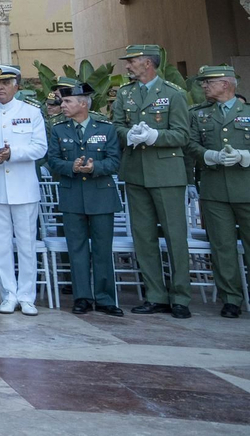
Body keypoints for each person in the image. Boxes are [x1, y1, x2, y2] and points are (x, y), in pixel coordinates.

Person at [107, 43, 193, 318]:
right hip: (136, 172)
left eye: (132, 61)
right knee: (143, 237)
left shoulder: (173, 94)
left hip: (166, 173)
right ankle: (155, 295)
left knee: (175, 237)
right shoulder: (126, 93)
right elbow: (117, 126)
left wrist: (155, 136)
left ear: (148, 63)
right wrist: (129, 135)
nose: (127, 66)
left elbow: (182, 135)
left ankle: (180, 297)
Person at [46, 79, 123, 316]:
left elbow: (114, 161)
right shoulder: (59, 129)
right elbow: (53, 160)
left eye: (67, 101)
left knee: (102, 249)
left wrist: (94, 167)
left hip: (101, 196)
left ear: (83, 103)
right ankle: (82, 297)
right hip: (72, 195)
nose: (62, 105)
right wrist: (71, 166)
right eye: (62, 101)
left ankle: (105, 298)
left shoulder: (106, 128)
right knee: (76, 249)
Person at [0, 64, 48, 315]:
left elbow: (40, 147)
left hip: (24, 188)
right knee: (2, 244)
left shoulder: (31, 112)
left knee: (27, 244)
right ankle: (8, 294)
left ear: (16, 86)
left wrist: (13, 153)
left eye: (5, 83)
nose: (0, 87)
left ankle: (27, 296)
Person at [188, 65, 250, 319]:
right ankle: (231, 299)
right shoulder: (199, 114)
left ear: (226, 84)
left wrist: (244, 156)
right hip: (214, 190)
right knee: (222, 247)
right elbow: (190, 143)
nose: (204, 86)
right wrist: (209, 155)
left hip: (246, 187)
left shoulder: (247, 112)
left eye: (209, 82)